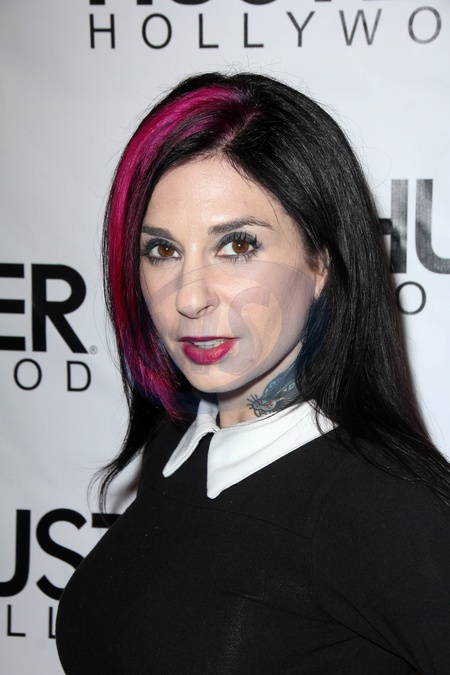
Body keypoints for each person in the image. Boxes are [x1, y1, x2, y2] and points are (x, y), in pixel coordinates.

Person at [56, 72, 450, 674]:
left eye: (237, 246)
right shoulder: (176, 444)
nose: (190, 297)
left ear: (322, 262)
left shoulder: (385, 507)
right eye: (162, 250)